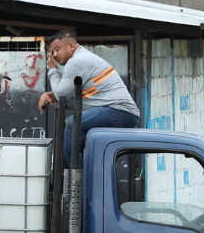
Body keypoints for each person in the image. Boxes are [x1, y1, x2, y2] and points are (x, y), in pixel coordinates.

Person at [38, 30, 139, 163]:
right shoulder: (82, 58)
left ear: (71, 46)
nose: (54, 55)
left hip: (119, 111)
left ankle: (69, 173)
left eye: (57, 49)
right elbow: (65, 92)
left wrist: (52, 70)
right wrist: (49, 94)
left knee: (73, 125)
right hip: (119, 112)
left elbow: (62, 95)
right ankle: (81, 168)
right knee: (72, 127)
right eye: (52, 51)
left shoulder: (77, 61)